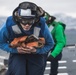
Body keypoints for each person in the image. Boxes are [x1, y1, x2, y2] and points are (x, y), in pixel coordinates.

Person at [0, 2, 54, 75]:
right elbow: (1, 42)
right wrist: (15, 50)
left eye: (30, 21)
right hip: (17, 55)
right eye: (24, 21)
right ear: (18, 19)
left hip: (36, 56)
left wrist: (36, 50)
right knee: (18, 71)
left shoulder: (41, 24)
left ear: (36, 19)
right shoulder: (9, 24)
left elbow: (50, 44)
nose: (27, 25)